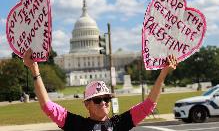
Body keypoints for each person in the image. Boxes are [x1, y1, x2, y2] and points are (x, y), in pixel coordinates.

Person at [23, 49, 178, 131]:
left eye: (107, 99)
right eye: (97, 99)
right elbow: (48, 107)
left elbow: (148, 105)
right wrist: (34, 70)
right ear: (87, 104)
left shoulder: (118, 124)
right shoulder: (77, 125)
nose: (103, 102)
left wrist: (163, 72)